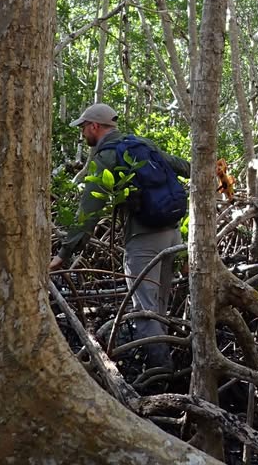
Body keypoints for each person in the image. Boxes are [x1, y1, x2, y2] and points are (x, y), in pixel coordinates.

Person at [49, 103, 190, 371]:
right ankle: (166, 362)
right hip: (172, 235)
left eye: (83, 128)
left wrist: (64, 254)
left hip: (144, 239)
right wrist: (214, 173)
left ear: (94, 126)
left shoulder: (107, 156)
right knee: (158, 305)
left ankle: (161, 374)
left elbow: (88, 211)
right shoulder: (141, 144)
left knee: (144, 309)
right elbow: (181, 166)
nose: (82, 134)